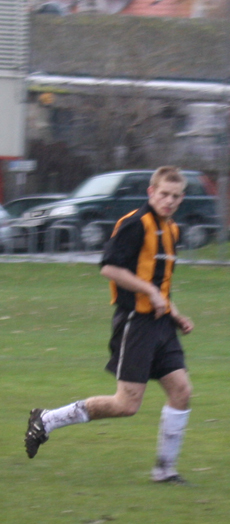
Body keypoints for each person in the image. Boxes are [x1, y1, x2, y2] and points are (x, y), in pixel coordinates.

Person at [24, 166, 195, 483]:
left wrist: (175, 313)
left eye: (175, 196)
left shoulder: (172, 230)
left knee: (182, 391)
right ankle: (47, 420)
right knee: (126, 404)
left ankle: (164, 470)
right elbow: (110, 270)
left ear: (182, 198)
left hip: (162, 326)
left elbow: (159, 283)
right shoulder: (133, 224)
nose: (169, 201)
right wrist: (150, 293)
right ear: (151, 192)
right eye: (164, 194)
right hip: (135, 323)